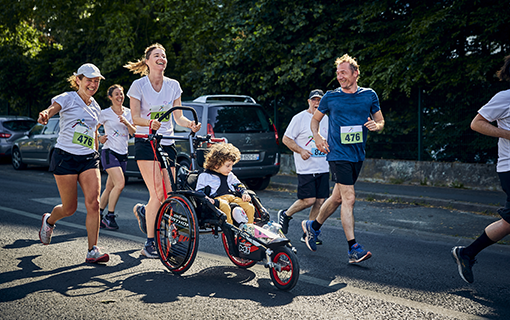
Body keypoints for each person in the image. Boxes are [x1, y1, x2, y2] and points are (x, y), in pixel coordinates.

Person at [302, 54, 385, 264]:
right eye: (338, 73)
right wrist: (317, 136)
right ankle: (353, 249)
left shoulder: (369, 95)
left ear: (355, 73)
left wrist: (378, 126)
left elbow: (380, 119)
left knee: (337, 197)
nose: (340, 77)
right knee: (349, 198)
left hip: (358, 153)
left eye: (344, 73)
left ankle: (313, 226)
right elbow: (315, 121)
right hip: (338, 154)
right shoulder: (331, 96)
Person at [124, 43, 201, 258]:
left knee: (170, 193)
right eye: (157, 55)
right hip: (146, 141)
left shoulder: (173, 85)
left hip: (167, 142)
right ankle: (150, 243)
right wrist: (150, 123)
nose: (162, 58)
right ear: (147, 61)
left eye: (164, 55)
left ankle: (145, 212)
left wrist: (190, 125)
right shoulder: (138, 85)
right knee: (158, 193)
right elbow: (135, 117)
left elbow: (178, 117)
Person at [38, 63, 109, 263]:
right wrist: (46, 114)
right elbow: (53, 108)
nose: (93, 84)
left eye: (96, 81)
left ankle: (92, 250)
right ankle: (49, 220)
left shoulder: (96, 106)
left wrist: (96, 150)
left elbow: (93, 131)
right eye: (89, 80)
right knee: (69, 208)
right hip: (65, 157)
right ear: (78, 80)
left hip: (88, 158)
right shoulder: (68, 98)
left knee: (94, 204)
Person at [451, 55, 510, 283]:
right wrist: (507, 134)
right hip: (509, 167)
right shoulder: (504, 98)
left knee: (507, 223)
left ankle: (467, 253)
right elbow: (476, 123)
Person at [278, 89, 330, 245]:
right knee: (308, 200)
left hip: (323, 167)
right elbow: (286, 139)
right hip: (306, 168)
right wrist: (301, 150)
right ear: (309, 102)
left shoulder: (327, 119)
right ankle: (286, 215)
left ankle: (309, 233)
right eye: (314, 100)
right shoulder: (299, 118)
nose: (317, 103)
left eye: (320, 100)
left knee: (320, 201)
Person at [97, 84, 136, 230]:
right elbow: (91, 128)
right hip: (109, 152)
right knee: (120, 184)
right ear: (110, 97)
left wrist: (127, 123)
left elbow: (134, 132)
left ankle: (99, 215)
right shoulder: (105, 113)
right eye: (117, 94)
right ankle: (110, 216)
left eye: (121, 94)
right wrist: (99, 137)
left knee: (109, 187)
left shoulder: (129, 112)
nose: (120, 97)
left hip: (123, 153)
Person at [195, 143, 255, 225]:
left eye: (231, 166)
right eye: (228, 166)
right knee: (225, 206)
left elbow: (238, 184)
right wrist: (206, 198)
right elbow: (199, 191)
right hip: (218, 200)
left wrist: (244, 192)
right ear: (216, 165)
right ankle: (229, 229)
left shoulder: (229, 175)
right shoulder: (205, 176)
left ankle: (249, 228)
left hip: (232, 198)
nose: (231, 169)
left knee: (250, 207)